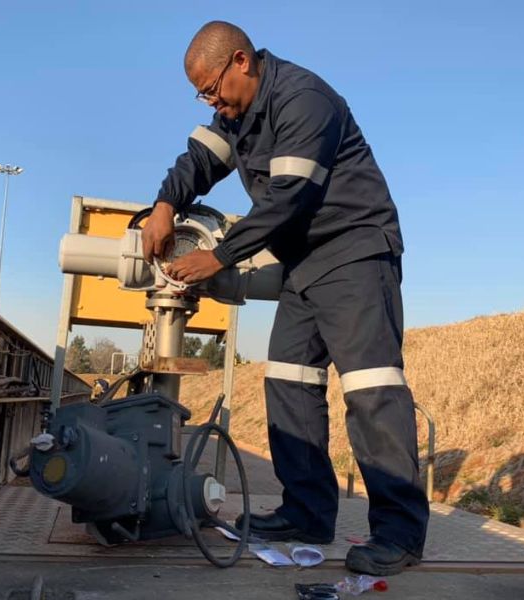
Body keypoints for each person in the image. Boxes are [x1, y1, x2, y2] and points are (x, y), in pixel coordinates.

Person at [142, 21, 429, 576]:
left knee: (371, 388)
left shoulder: (304, 99)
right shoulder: (237, 114)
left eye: (211, 89)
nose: (211, 102)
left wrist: (219, 257)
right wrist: (164, 204)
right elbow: (199, 160)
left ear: (241, 61)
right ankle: (307, 512)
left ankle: (398, 533)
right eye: (202, 95)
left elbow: (288, 198)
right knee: (288, 381)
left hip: (355, 252)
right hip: (304, 263)